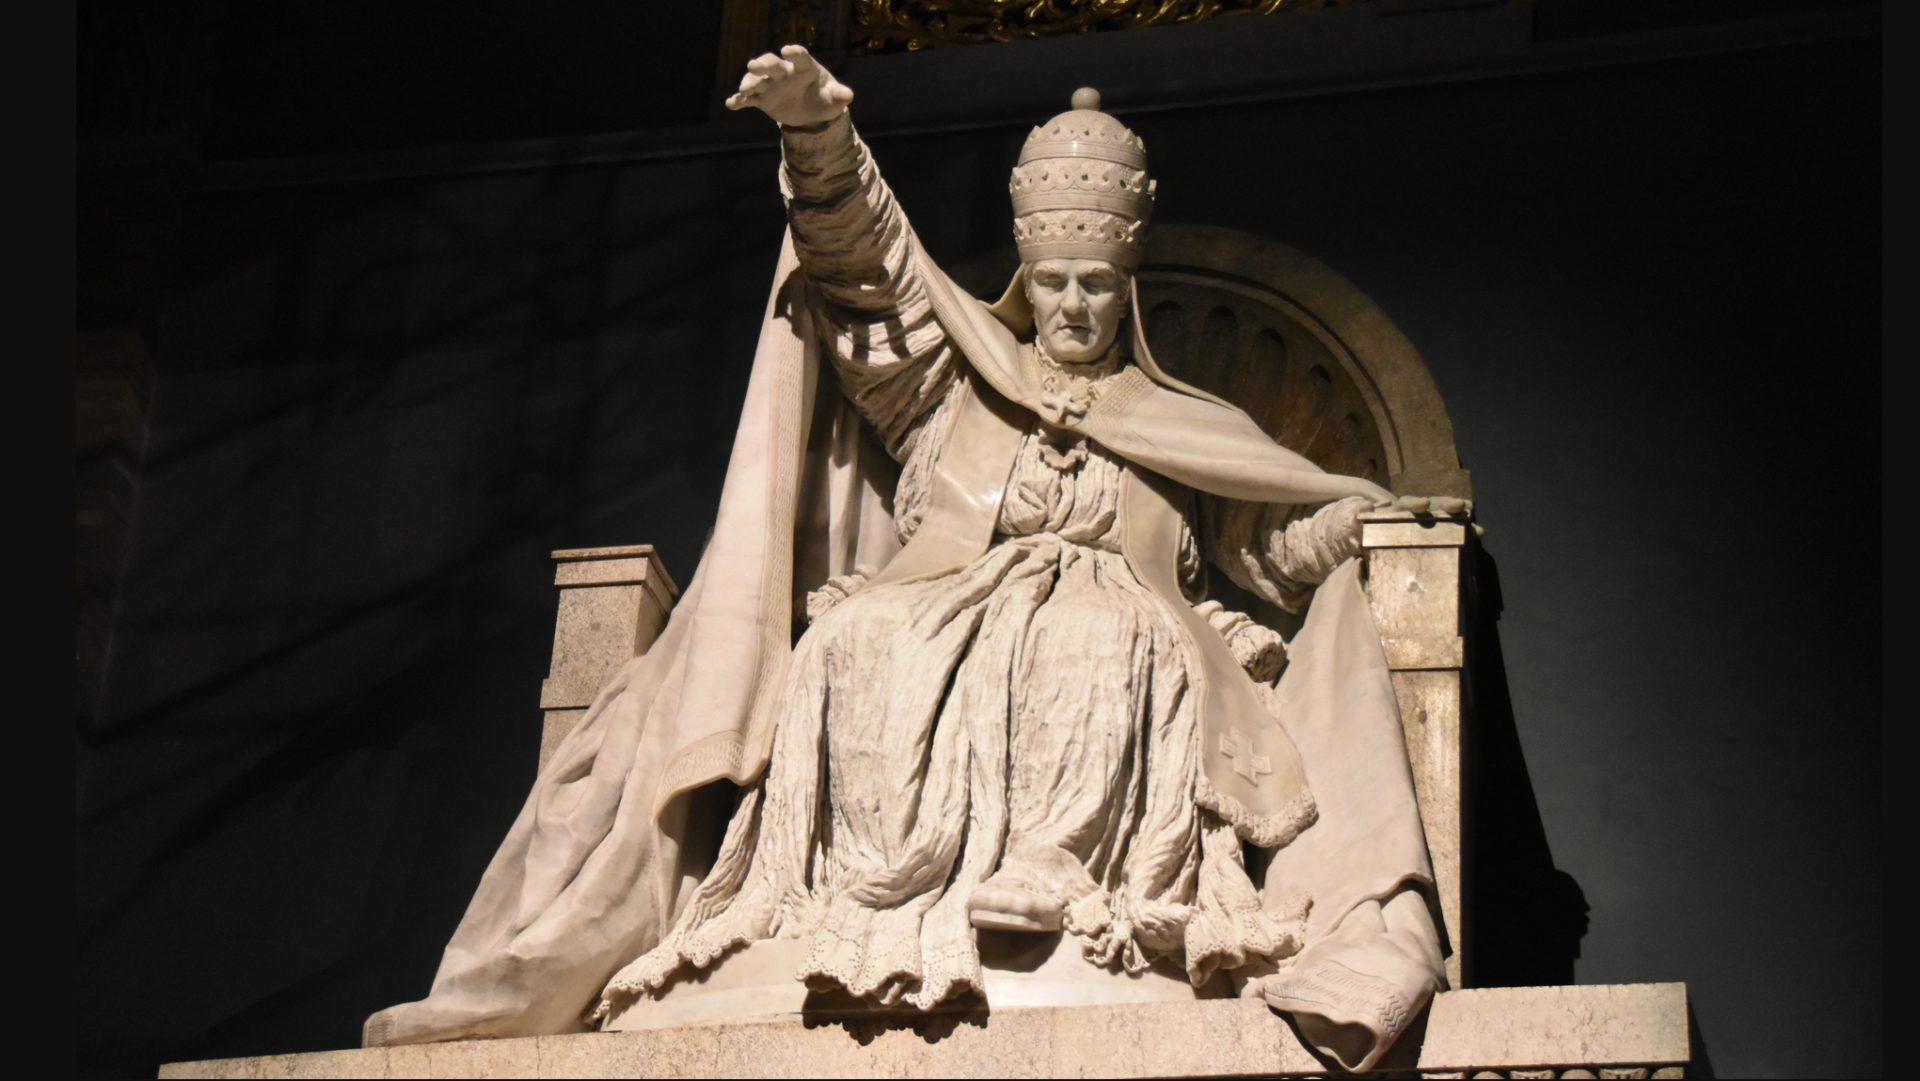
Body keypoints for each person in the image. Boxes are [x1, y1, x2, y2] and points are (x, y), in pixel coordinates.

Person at [367, 46, 1457, 1074]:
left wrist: (1351, 526)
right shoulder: (953, 383)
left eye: (1093, 284)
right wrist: (820, 147)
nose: (1073, 306)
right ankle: (860, 903)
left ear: (1124, 279)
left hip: (1125, 614)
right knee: (853, 637)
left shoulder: (1180, 423)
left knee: (1090, 637)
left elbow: (1266, 544)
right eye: (1056, 281)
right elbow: (872, 281)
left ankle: (1057, 875)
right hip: (938, 598)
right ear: (1028, 272)